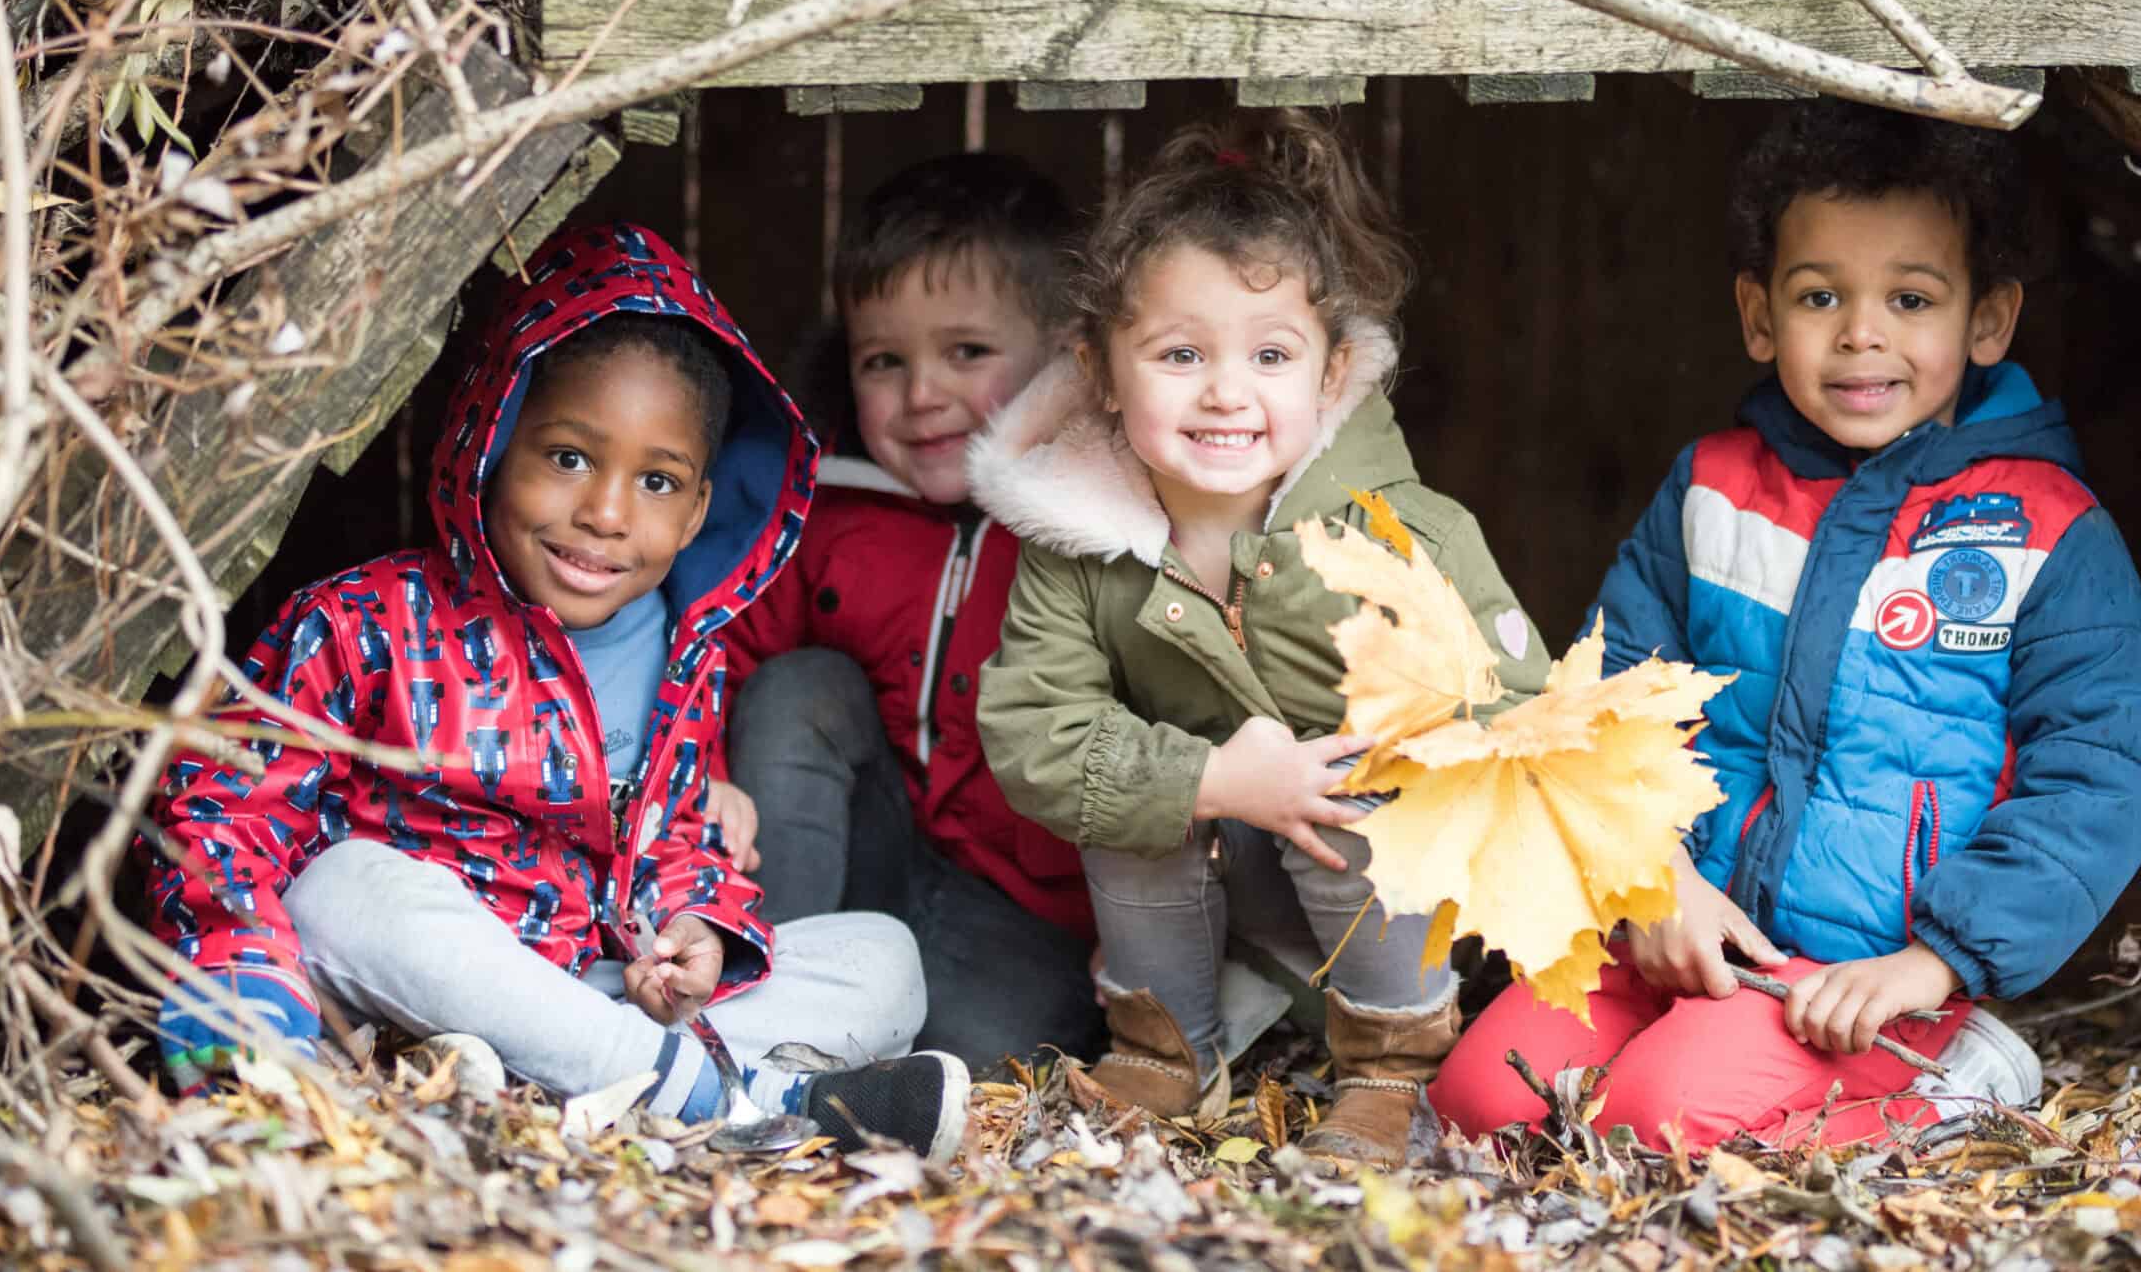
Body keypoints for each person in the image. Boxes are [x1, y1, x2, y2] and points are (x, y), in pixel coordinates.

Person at [1428, 103, 2141, 1152]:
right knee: (1478, 1102)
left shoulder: (2046, 530)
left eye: (1910, 298)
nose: (1861, 332)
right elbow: (1604, 701)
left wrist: (1936, 960)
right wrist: (1651, 878)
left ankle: (1953, 1080)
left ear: (1988, 320)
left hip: (1868, 980)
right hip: (1671, 926)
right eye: (1821, 295)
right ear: (1759, 313)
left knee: (1654, 1123)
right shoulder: (1710, 492)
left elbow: (2097, 778)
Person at [146, 223, 968, 1159]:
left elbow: (673, 836)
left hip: (584, 987)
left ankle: (540, 1076)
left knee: (884, 957)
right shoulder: (365, 621)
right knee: (343, 889)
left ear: (697, 510)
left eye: (656, 480)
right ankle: (733, 1097)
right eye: (569, 457)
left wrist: (695, 927)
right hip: (402, 976)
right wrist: (244, 985)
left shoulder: (684, 655)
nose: (606, 513)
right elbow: (222, 808)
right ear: (493, 441)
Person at [969, 114, 1553, 1169]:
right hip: (1213, 899)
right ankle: (1165, 1051)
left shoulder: (1401, 531)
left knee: (1352, 787)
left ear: (1331, 374)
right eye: (1180, 354)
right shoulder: (1075, 543)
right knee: (1131, 786)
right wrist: (1213, 778)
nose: (1227, 391)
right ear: (1101, 371)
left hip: (1389, 908)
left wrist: (1386, 764)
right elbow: (1032, 729)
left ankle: (1389, 1072)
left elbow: (1517, 706)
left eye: (1271, 354)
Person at [712, 153, 1103, 1072]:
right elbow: (720, 649)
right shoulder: (829, 505)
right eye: (884, 361)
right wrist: (705, 775)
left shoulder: (1096, 522)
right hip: (862, 863)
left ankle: (837, 1055)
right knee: (801, 686)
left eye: (967, 352)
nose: (922, 395)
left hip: (1029, 918)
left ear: (1065, 355)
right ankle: (769, 1003)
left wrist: (1148, 940)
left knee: (965, 1061)